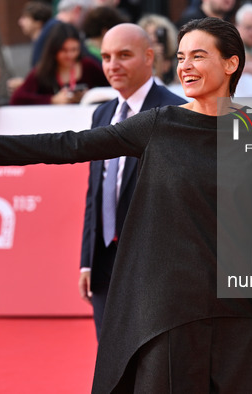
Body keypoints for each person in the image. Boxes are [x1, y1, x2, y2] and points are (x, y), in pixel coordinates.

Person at [0, 17, 252, 393]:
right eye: (181, 57)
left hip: (239, 310)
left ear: (231, 63)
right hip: (171, 311)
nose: (186, 67)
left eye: (198, 56)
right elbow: (70, 145)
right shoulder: (158, 125)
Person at [79, 23, 185, 341]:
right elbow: (95, 192)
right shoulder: (102, 115)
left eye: (124, 55)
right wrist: (87, 260)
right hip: (104, 264)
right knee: (108, 359)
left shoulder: (174, 111)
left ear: (149, 56)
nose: (113, 65)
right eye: (107, 56)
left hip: (152, 265)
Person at [10, 23, 108, 105]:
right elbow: (17, 98)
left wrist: (90, 95)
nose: (70, 55)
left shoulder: (87, 65)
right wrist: (52, 100)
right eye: (64, 50)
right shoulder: (43, 71)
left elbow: (110, 88)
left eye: (74, 49)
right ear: (54, 49)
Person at [31, 0, 94, 67]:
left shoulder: (52, 25)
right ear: (77, 10)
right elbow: (86, 56)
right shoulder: (62, 29)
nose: (86, 20)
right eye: (86, 15)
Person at [137, 14, 179, 85]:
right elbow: (154, 85)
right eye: (149, 34)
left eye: (157, 33)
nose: (154, 38)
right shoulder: (141, 62)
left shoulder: (176, 58)